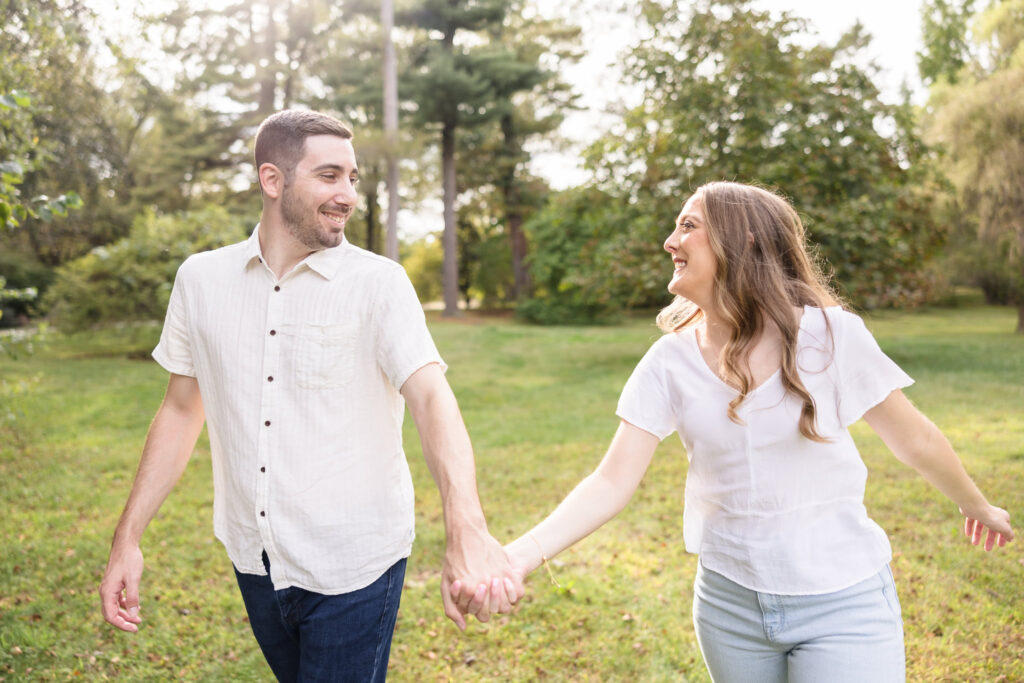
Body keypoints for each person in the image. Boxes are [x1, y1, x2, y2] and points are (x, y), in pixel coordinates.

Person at [456, 181, 1015, 682]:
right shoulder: (667, 361)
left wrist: (977, 505)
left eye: (688, 225)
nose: (669, 241)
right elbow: (610, 482)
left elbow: (912, 438)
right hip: (729, 608)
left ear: (744, 242)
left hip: (842, 599)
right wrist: (517, 556)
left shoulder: (831, 335)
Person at [99, 109, 522, 682]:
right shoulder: (200, 281)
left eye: (353, 178)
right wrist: (128, 538)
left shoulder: (379, 284)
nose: (348, 195)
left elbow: (431, 398)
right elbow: (180, 409)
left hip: (356, 564)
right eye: (329, 176)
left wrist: (466, 526)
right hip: (254, 555)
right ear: (272, 180)